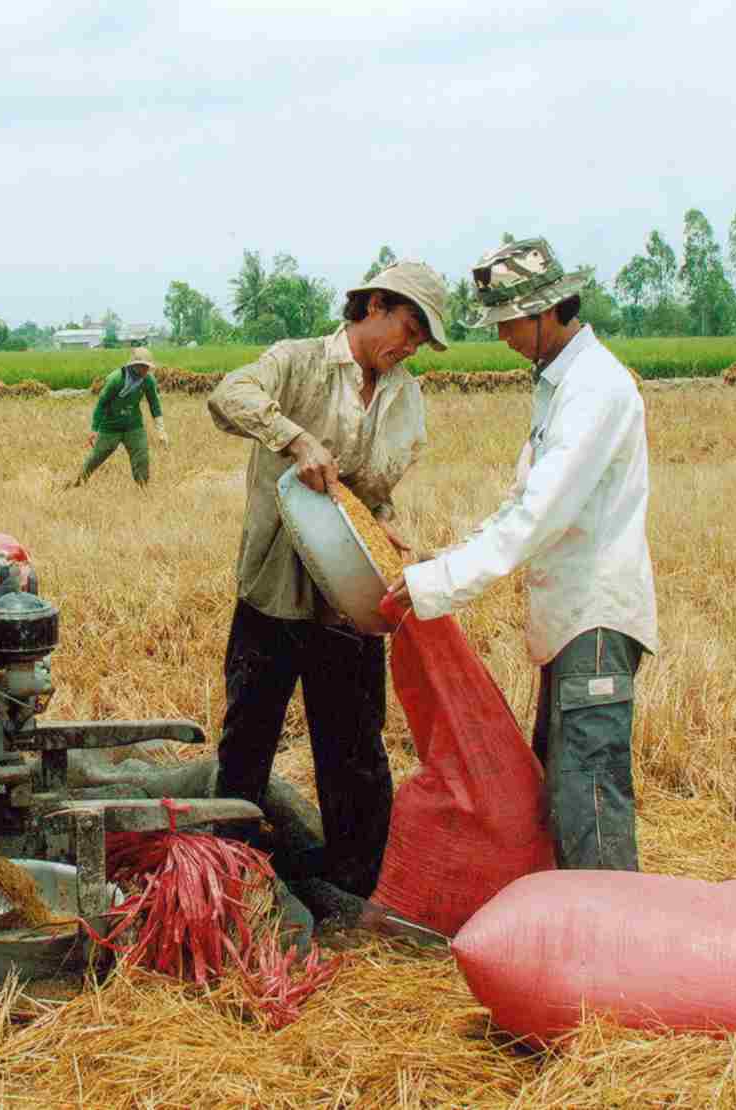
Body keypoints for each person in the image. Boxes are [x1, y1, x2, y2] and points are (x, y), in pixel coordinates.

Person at [388, 237, 657, 871]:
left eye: (509, 321)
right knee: (566, 791)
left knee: (588, 793)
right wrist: (442, 560)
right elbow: (520, 503)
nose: (503, 335)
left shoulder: (594, 389)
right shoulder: (558, 387)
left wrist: (441, 584)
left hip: (595, 618)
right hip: (569, 621)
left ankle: (612, 941)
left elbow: (541, 514)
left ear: (549, 311)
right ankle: (581, 934)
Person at [207, 259, 448, 898]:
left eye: (422, 340)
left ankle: (354, 889)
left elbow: (373, 490)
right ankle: (227, 877)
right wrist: (295, 440)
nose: (411, 347)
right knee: (249, 737)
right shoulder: (298, 361)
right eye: (409, 327)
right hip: (274, 588)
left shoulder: (404, 393)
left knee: (355, 747)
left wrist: (385, 524)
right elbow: (228, 396)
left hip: (349, 595)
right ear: (372, 305)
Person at [70, 347, 167, 486]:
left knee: (142, 457)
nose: (146, 370)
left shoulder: (148, 380)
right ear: (135, 366)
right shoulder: (116, 380)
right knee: (96, 458)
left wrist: (161, 430)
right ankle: (78, 482)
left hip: (134, 426)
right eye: (143, 367)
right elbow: (101, 404)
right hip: (110, 426)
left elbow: (154, 405)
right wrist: (94, 429)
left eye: (148, 367)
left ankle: (143, 489)